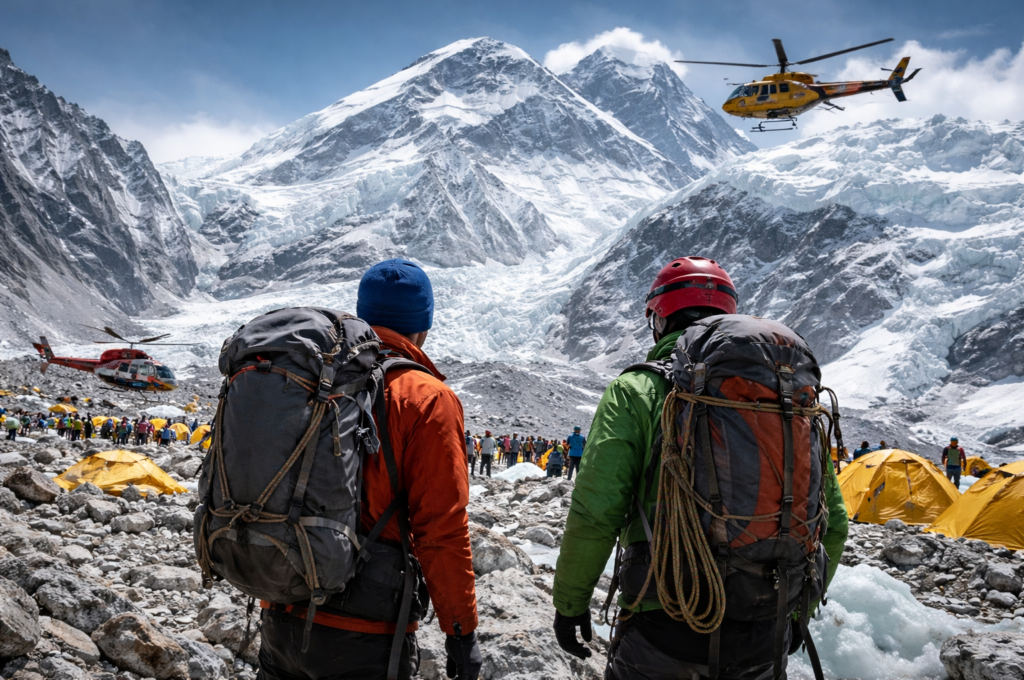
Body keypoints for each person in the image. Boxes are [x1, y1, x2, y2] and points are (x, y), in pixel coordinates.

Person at [552, 256, 848, 680]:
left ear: (659, 319)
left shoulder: (637, 390)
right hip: (765, 629)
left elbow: (597, 511)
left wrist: (571, 604)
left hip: (665, 623)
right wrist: (799, 610)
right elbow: (832, 521)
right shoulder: (783, 399)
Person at [257, 258, 481, 680]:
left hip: (282, 606)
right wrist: (460, 630)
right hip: (365, 631)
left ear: (363, 314)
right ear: (424, 324)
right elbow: (440, 527)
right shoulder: (425, 397)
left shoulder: (312, 376)